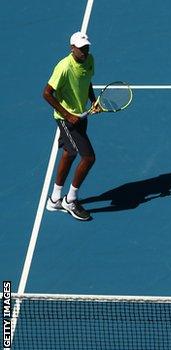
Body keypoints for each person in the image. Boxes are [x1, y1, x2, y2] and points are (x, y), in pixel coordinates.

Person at [43, 31, 101, 221]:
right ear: (72, 48)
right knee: (88, 157)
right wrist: (67, 115)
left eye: (87, 47)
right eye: (81, 48)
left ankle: (55, 199)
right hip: (67, 119)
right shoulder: (64, 67)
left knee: (69, 152)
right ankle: (70, 200)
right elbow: (47, 93)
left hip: (81, 115)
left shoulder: (89, 60)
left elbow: (87, 82)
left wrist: (93, 101)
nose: (85, 51)